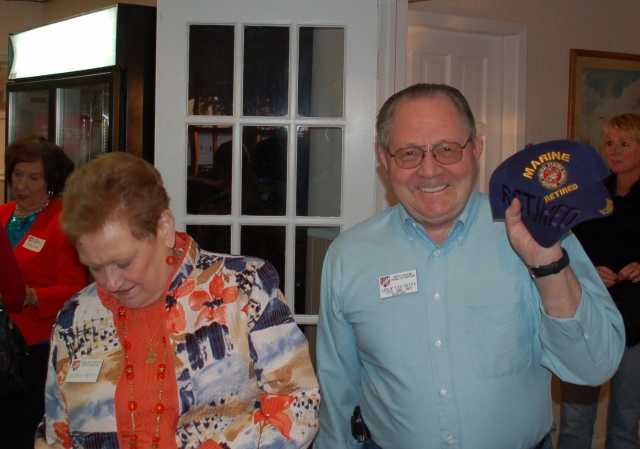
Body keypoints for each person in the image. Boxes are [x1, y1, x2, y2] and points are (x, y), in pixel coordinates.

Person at [315, 83, 625, 449]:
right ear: (385, 159)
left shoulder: (539, 233)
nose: (430, 170)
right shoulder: (349, 257)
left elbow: (594, 367)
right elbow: (337, 392)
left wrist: (546, 265)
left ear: (476, 149)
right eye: (409, 153)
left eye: (447, 149)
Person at [35, 152, 320, 448]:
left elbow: (297, 406)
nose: (111, 282)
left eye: (124, 262)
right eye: (95, 267)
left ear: (164, 228)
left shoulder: (243, 287)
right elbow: (57, 427)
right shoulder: (75, 316)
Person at [557, 113, 640, 449]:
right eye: (609, 143)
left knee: (626, 420)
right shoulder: (588, 193)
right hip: (587, 314)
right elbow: (566, 248)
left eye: (624, 143)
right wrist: (589, 270)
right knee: (574, 422)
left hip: (635, 319)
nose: (614, 151)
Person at [0, 135, 86, 449]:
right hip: (2, 340)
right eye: (17, 174)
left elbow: (76, 291)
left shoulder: (64, 221)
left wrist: (33, 297)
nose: (22, 185)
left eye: (33, 178)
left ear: (51, 181)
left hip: (34, 350)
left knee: (19, 430)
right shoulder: (3, 213)